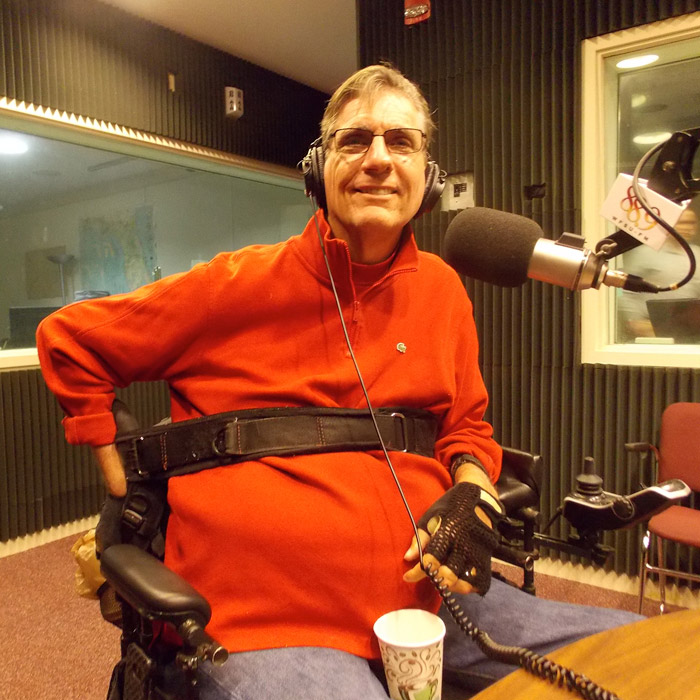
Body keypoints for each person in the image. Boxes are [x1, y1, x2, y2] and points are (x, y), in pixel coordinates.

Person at [37, 64, 640, 699]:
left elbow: (466, 427)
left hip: (426, 608)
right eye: (356, 140)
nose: (379, 159)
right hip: (267, 628)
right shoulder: (234, 285)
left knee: (640, 661)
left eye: (401, 142)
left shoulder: (441, 292)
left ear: (427, 178)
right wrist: (104, 446)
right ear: (318, 167)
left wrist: (470, 487)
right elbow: (71, 338)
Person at [617, 206, 700, 341]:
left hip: (688, 333)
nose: (687, 227)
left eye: (691, 223)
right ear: (668, 224)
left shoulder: (697, 255)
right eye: (681, 222)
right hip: (650, 331)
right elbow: (621, 289)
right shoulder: (645, 253)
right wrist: (634, 321)